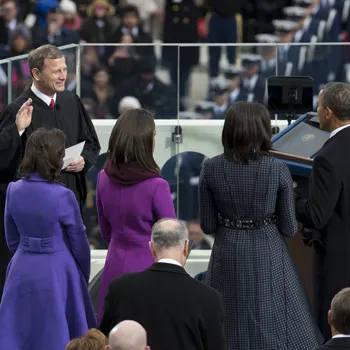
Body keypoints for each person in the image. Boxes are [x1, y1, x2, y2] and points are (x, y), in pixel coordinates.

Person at [199, 101, 323, 350]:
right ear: (263, 129)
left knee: (228, 325)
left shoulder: (210, 168)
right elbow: (289, 227)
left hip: (227, 255)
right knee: (277, 324)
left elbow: (208, 224)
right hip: (269, 254)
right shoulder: (277, 169)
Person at [0, 44, 100, 299]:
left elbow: (91, 143)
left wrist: (83, 160)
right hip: (37, 215)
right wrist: (18, 130)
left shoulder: (71, 100)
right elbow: (3, 160)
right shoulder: (18, 109)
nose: (63, 76)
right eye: (56, 71)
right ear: (36, 73)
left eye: (65, 69)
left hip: (71, 199)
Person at [0, 128, 96, 350]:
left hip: (21, 268)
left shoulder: (14, 190)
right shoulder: (63, 195)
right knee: (57, 336)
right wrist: (80, 274)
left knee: (18, 334)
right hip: (57, 269)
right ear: (56, 158)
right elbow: (79, 242)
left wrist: (25, 252)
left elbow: (11, 236)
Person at [96, 109, 176, 321]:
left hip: (114, 262)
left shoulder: (103, 177)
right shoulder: (158, 186)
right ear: (145, 141)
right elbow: (171, 240)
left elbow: (105, 231)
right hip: (148, 267)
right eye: (154, 135)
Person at [99, 218, 226, 350]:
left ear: (151, 247)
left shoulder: (120, 288)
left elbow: (103, 339)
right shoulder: (209, 298)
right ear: (186, 247)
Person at [296, 82, 350, 340]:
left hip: (338, 265)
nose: (316, 111)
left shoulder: (327, 156)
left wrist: (291, 200)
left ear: (328, 112)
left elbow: (317, 214)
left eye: (318, 106)